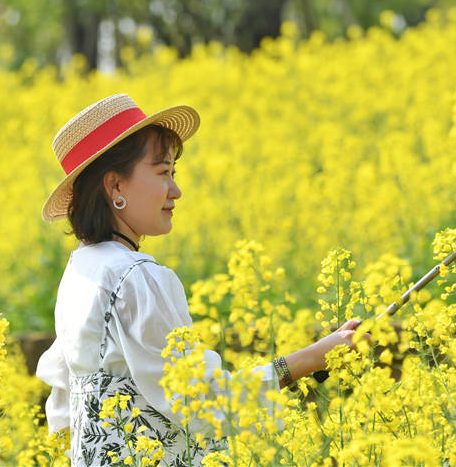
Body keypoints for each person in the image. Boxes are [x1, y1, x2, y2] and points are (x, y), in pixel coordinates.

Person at [36, 94, 365, 466]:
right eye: (163, 173)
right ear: (115, 187)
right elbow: (204, 403)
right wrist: (311, 357)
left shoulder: (80, 272)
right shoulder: (135, 278)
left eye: (173, 173)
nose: (175, 191)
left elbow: (66, 410)